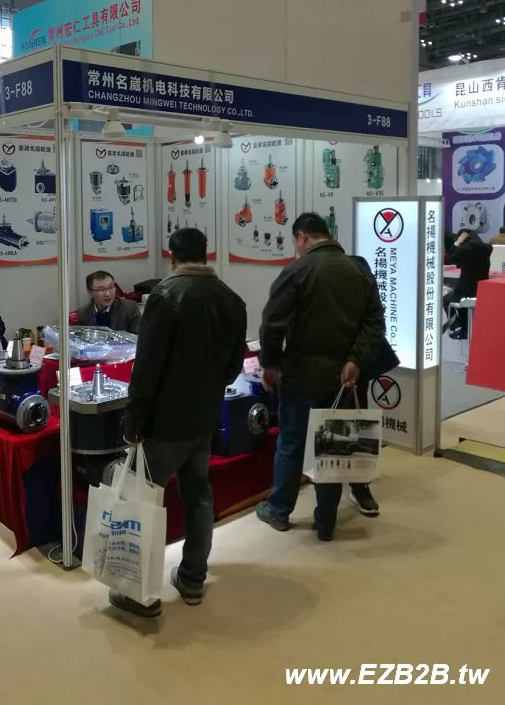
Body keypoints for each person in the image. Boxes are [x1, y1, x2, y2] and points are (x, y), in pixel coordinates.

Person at [109, 228, 247, 618]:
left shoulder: (166, 296)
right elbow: (234, 366)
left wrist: (133, 418)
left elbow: (147, 366)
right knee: (199, 494)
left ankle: (137, 593)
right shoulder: (232, 300)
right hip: (205, 417)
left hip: (165, 422)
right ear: (206, 254)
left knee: (141, 500)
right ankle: (192, 578)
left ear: (172, 257)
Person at [255, 213, 385, 541]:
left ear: (302, 237)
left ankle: (279, 511)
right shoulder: (359, 270)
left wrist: (271, 364)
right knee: (335, 447)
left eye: (295, 242)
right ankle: (326, 522)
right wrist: (355, 360)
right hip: (342, 379)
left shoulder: (297, 271)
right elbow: (374, 324)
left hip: (300, 376)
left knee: (291, 443)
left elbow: (272, 325)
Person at [348, 254, 400, 518]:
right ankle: (326, 478)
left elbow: (374, 324)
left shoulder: (358, 267)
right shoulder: (305, 271)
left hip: (355, 363)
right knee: (323, 421)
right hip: (319, 366)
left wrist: (356, 360)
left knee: (360, 420)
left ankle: (360, 484)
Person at [443, 229, 492, 339]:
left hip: (467, 291)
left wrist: (457, 243)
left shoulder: (465, 250)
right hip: (481, 291)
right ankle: (464, 329)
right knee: (461, 302)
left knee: (446, 299)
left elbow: (450, 259)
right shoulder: (488, 248)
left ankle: (457, 327)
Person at [77, 270, 142, 333]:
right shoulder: (83, 313)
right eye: (101, 290)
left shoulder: (130, 308)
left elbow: (139, 337)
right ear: (90, 292)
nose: (108, 294)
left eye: (111, 287)